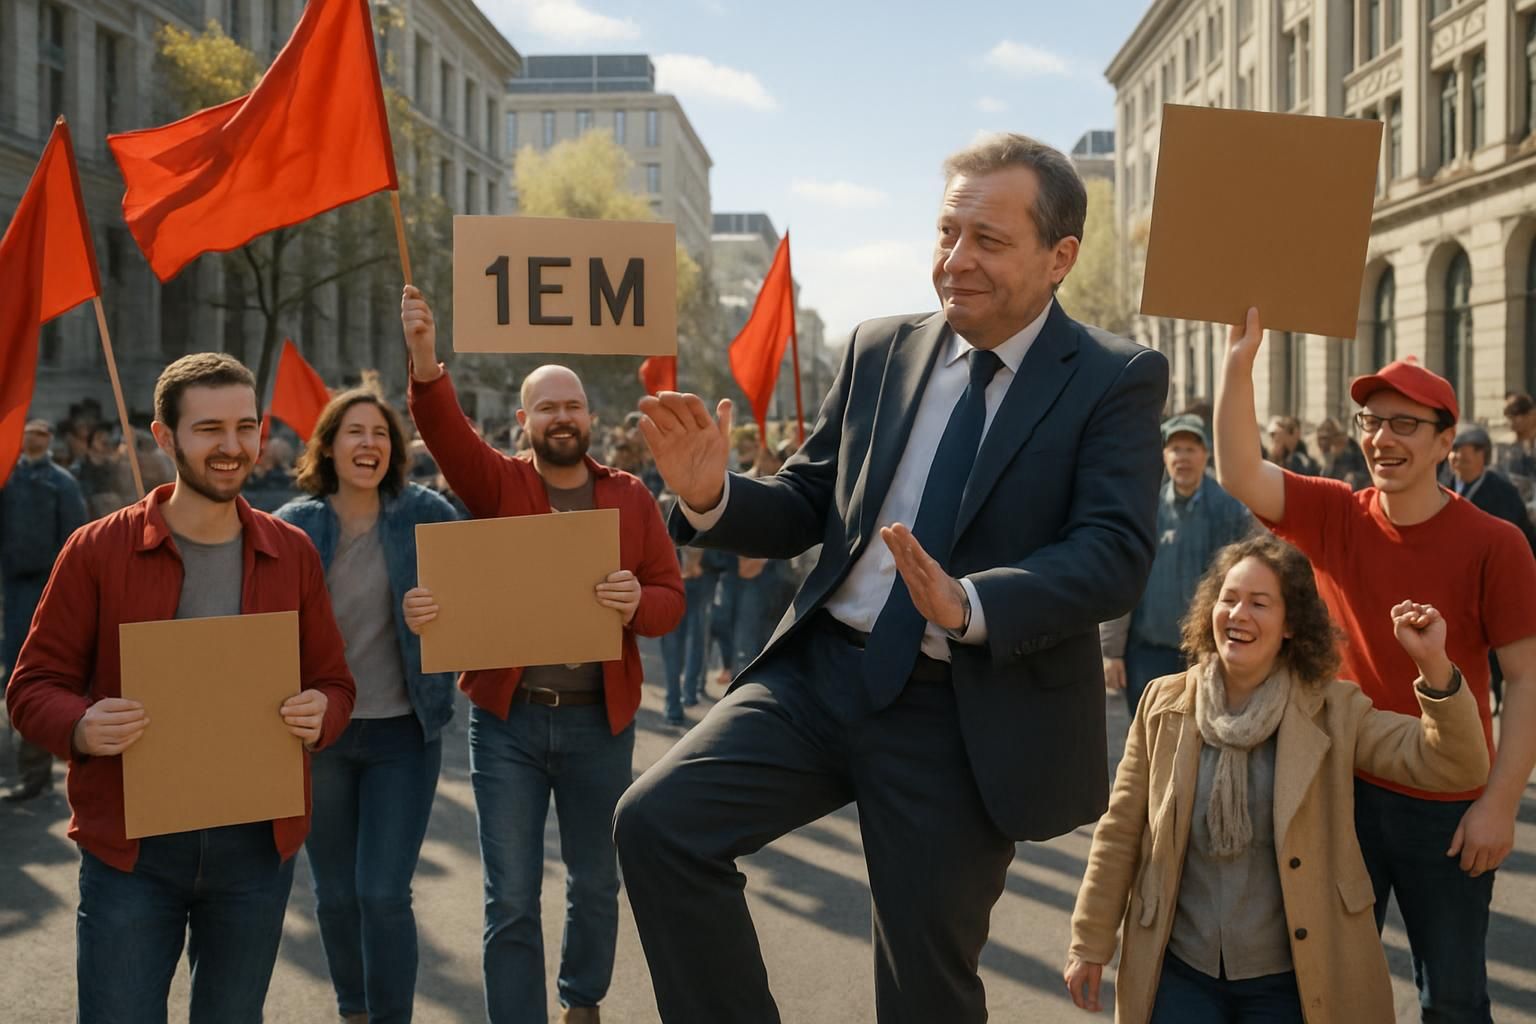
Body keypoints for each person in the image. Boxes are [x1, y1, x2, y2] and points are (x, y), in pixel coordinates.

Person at [614, 132, 1168, 1023]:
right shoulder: (880, 348)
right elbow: (807, 501)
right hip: (823, 674)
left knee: (924, 991)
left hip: (963, 713)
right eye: (947, 232)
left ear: (1060, 257)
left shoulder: (1115, 378)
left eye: (988, 240)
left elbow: (1113, 553)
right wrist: (714, 495)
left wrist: (972, 602)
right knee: (657, 824)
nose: (956, 260)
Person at [4, 353, 356, 1023]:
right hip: (133, 853)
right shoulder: (95, 551)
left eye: (245, 426)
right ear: (165, 438)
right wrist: (80, 724)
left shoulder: (292, 552)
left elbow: (335, 683)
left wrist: (323, 713)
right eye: (209, 429)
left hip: (254, 851)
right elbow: (31, 688)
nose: (232, 447)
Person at [1214, 315, 1536, 1023]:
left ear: (1446, 443)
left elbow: (1528, 678)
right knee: (1323, 987)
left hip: (1448, 801)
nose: (1381, 439)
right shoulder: (1336, 511)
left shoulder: (1497, 542)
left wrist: (1500, 805)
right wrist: (1239, 365)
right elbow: (1239, 471)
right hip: (1337, 785)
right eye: (1370, 421)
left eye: (1404, 425)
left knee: (1452, 997)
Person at [397, 287, 684, 1024]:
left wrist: (634, 602)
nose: (562, 417)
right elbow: (445, 428)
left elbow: (669, 600)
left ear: (589, 417)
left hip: (601, 726)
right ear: (524, 422)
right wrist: (426, 356)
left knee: (595, 883)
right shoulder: (501, 485)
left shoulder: (631, 500)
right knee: (512, 895)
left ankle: (581, 1000)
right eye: (546, 407)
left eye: (573, 405)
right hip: (509, 726)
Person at [1065, 535, 1490, 1023]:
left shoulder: (1334, 710)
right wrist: (1090, 943)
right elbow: (1120, 830)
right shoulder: (1165, 703)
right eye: (1229, 599)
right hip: (1181, 970)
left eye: (1259, 603)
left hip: (1290, 981)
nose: (1238, 614)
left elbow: (1454, 763)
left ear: (1291, 625)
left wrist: (1433, 665)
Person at [275, 388, 460, 1024]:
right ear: (328, 444)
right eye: (354, 432)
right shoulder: (293, 525)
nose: (369, 444)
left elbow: (478, 605)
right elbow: (256, 625)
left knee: (382, 893)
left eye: (381, 433)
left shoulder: (428, 513)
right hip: (319, 738)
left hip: (403, 735)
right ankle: (353, 1009)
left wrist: (440, 615)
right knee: (334, 897)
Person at [1101, 414, 1253, 712]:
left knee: (1202, 748)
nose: (1183, 458)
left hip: (1208, 652)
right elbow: (1121, 580)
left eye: (1191, 449)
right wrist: (1111, 652)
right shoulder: (1144, 509)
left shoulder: (1230, 510)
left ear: (1205, 454)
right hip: (1148, 654)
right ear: (1163, 455)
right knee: (1150, 744)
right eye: (1175, 449)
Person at [0, 419, 86, 802]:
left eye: (39, 434)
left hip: (45, 588)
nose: (32, 439)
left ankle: (37, 770)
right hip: (10, 584)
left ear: (49, 439)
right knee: (12, 675)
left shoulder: (62, 483)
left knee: (36, 675)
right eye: (28, 433)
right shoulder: (8, 477)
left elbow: (76, 541)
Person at [1448, 424, 1536, 717]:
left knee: (1497, 647)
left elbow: (1518, 537)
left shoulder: (1503, 493)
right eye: (1453, 450)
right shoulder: (1441, 485)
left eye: (1463, 450)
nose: (1455, 457)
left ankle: (1497, 694)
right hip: (1453, 583)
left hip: (1492, 583)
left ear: (1481, 455)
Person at [1314, 416, 1370, 490]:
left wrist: (1354, 476)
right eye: (1321, 437)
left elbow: (1365, 473)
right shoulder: (1310, 456)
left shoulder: (1351, 449)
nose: (1325, 434)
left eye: (1328, 430)